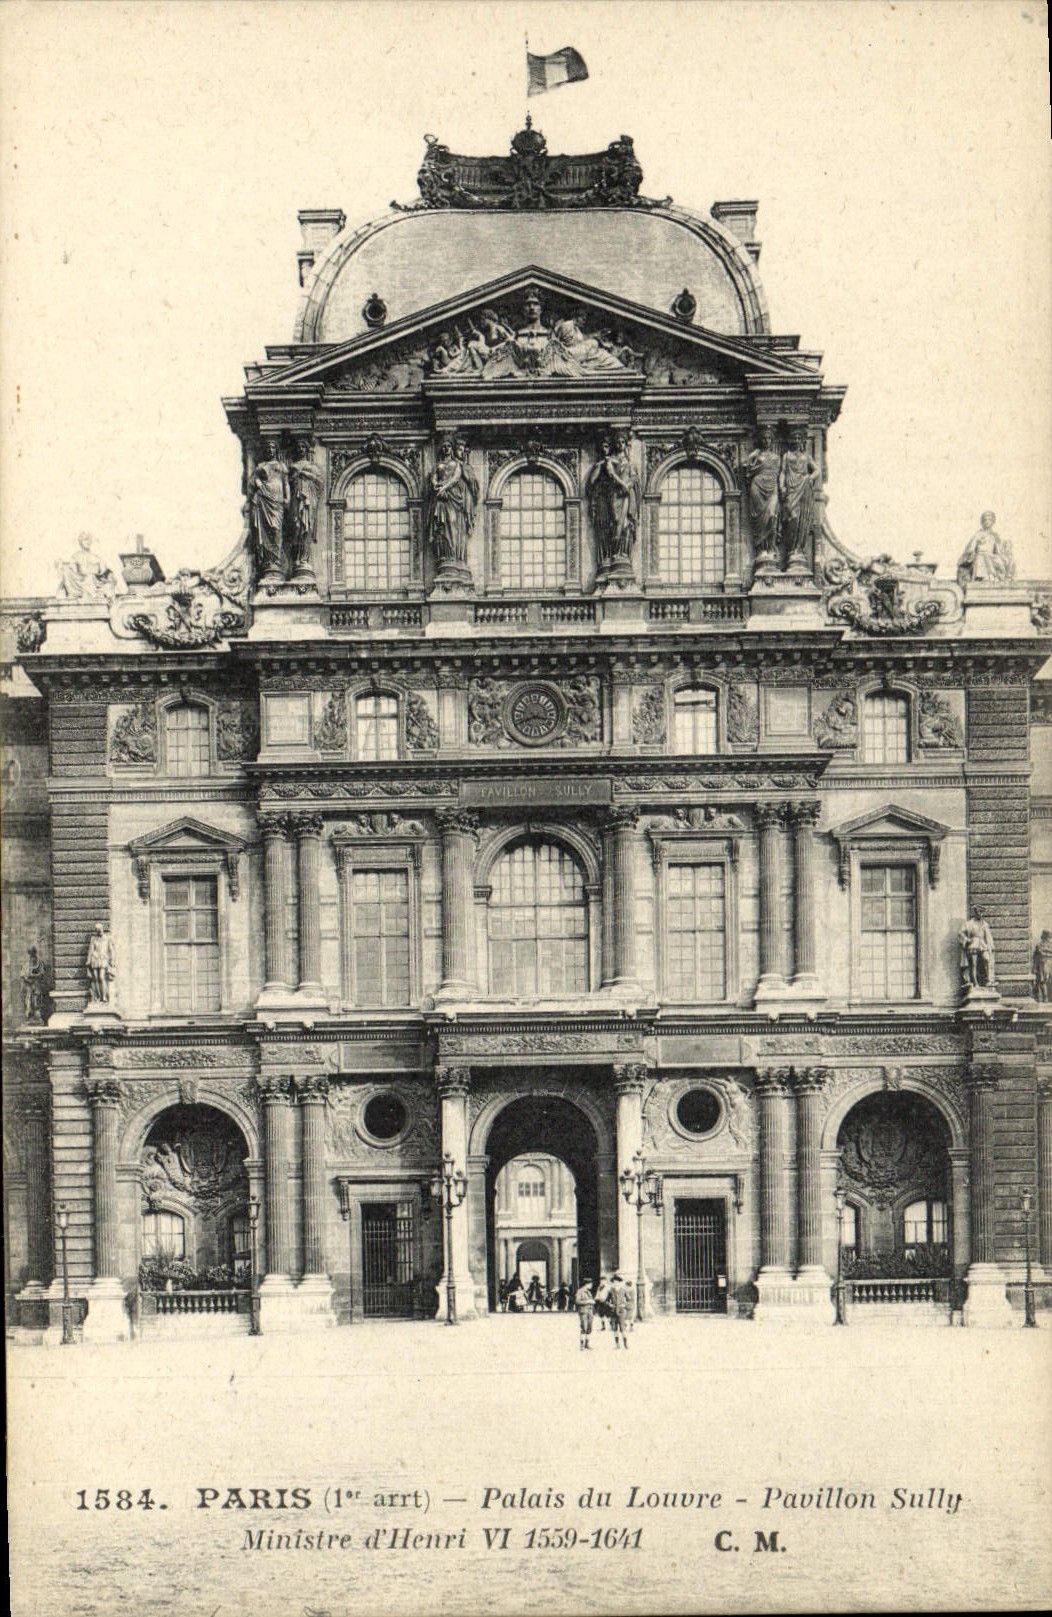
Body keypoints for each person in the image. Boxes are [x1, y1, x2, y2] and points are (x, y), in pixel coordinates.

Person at [425, 436, 478, 568]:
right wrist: (436, 485)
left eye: (448, 446)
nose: (446, 448)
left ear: (452, 449)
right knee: (442, 526)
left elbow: (456, 478)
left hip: (452, 497)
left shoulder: (457, 464)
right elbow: (433, 478)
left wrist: (443, 488)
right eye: (444, 446)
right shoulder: (437, 465)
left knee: (453, 523)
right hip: (441, 498)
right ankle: (445, 555)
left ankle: (454, 554)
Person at [248, 439, 290, 583]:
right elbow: (251, 481)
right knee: (267, 529)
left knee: (276, 528)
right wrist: (257, 482)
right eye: (268, 448)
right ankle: (270, 562)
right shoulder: (261, 466)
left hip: (277, 500)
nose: (270, 450)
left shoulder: (281, 466)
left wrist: (288, 498)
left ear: (276, 450)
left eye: (272, 448)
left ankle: (276, 559)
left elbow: (286, 483)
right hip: (264, 498)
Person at [742, 428, 781, 564]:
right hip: (757, 486)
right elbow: (746, 466)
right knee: (759, 520)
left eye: (768, 438)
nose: (766, 441)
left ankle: (771, 549)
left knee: (772, 515)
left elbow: (779, 475)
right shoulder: (757, 455)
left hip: (772, 487)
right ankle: (762, 550)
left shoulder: (777, 457)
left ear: (772, 440)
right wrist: (753, 454)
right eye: (763, 438)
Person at [957, 511, 1015, 587]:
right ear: (982, 522)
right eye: (985, 520)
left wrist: (1003, 553)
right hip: (980, 555)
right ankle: (983, 578)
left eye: (989, 520)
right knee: (981, 557)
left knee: (998, 560)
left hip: (992, 557)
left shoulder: (995, 535)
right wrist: (972, 553)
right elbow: (971, 548)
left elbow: (998, 550)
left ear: (993, 522)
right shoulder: (978, 535)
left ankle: (996, 577)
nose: (987, 522)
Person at [959, 909, 996, 991]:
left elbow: (988, 936)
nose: (980, 914)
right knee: (973, 964)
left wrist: (990, 946)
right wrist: (967, 940)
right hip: (973, 944)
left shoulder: (985, 924)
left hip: (982, 944)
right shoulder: (969, 924)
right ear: (975, 913)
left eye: (982, 912)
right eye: (979, 912)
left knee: (987, 959)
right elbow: (961, 933)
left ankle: (988, 981)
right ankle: (975, 983)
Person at [85, 922, 116, 1005]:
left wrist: (112, 960)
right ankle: (97, 997)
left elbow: (111, 950)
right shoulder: (93, 939)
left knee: (102, 977)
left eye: (100, 929)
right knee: (95, 978)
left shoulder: (108, 938)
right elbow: (91, 950)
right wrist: (88, 960)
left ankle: (104, 997)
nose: (99, 931)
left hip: (103, 959)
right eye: (97, 930)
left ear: (102, 929)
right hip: (95, 959)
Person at [609, 1273, 633, 1349]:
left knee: (623, 1328)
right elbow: (606, 1301)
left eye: (617, 1282)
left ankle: (625, 1344)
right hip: (613, 1312)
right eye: (614, 1282)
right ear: (613, 1283)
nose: (616, 1283)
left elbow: (630, 1300)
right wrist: (610, 1305)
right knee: (615, 1328)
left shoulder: (623, 1290)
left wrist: (624, 1305)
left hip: (621, 1312)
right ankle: (617, 1344)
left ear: (620, 1283)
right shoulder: (611, 1291)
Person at [574, 1278, 596, 1349]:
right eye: (590, 1284)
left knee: (589, 1328)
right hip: (583, 1311)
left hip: (590, 1311)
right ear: (587, 1284)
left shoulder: (588, 1292)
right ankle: (582, 1345)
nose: (591, 1286)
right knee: (584, 1327)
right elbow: (577, 1301)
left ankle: (587, 1344)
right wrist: (587, 1302)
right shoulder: (580, 1291)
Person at [1033, 930, 1052, 1002]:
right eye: (1048, 937)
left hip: (1048, 964)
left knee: (1046, 981)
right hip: (1042, 964)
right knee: (1042, 981)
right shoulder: (1039, 945)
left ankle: (1047, 998)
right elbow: (1036, 957)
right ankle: (1045, 998)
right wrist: (1035, 968)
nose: (1049, 939)